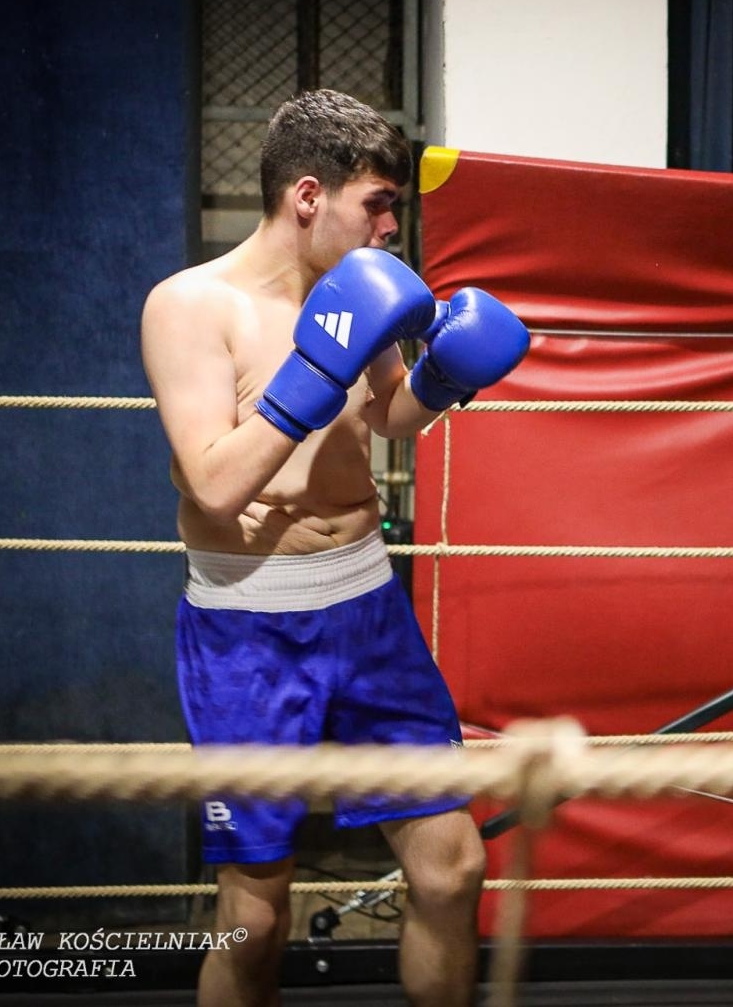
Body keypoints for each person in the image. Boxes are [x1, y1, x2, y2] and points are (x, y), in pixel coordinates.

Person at [140, 88, 528, 1007]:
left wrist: (446, 375)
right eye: (378, 205)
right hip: (249, 631)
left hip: (366, 611)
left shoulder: (358, 289)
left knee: (451, 869)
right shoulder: (191, 305)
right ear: (308, 195)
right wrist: (311, 374)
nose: (391, 228)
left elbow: (388, 416)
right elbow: (214, 486)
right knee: (255, 917)